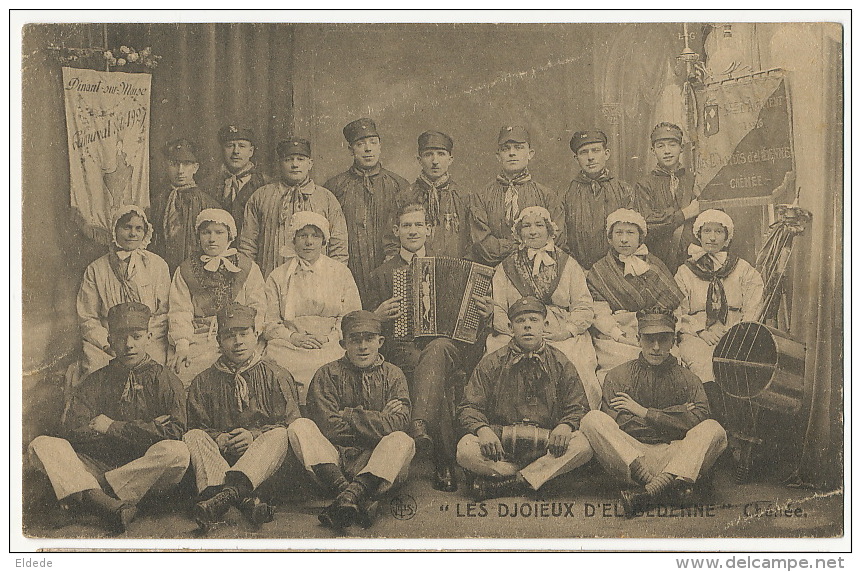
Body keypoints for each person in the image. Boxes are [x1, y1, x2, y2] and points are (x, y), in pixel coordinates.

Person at [29, 302, 188, 534]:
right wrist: (147, 429)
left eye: (136, 336)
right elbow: (72, 429)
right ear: (110, 340)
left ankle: (90, 497)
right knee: (42, 444)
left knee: (177, 452)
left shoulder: (166, 380)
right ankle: (110, 506)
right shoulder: (96, 380)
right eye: (121, 337)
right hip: (96, 464)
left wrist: (111, 427)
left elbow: (175, 431)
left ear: (149, 337)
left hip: (142, 470)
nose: (129, 345)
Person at [579, 307, 727, 517]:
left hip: (677, 456)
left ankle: (647, 494)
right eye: (649, 339)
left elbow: (700, 418)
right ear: (639, 339)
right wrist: (678, 414)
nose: (656, 347)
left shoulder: (689, 378)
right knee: (592, 419)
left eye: (663, 339)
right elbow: (619, 422)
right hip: (634, 457)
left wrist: (644, 412)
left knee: (714, 429)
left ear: (674, 341)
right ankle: (662, 488)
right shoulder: (617, 376)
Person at [184, 303, 318, 531]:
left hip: (263, 466)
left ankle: (224, 498)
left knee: (279, 434)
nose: (238, 342)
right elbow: (197, 424)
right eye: (229, 336)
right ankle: (235, 500)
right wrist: (219, 438)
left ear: (256, 335)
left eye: (244, 333)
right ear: (218, 341)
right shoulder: (203, 381)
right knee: (193, 435)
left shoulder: (276, 374)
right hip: (221, 460)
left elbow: (291, 424)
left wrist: (254, 436)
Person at [456, 296, 593, 500]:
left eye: (533, 320)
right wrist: (482, 430)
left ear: (545, 325)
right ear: (511, 328)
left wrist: (565, 426)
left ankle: (509, 484)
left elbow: (578, 406)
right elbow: (469, 407)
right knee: (465, 449)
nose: (527, 326)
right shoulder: (492, 363)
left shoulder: (561, 362)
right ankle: (541, 476)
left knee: (584, 445)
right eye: (520, 321)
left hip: (547, 447)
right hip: (503, 449)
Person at [304, 310, 415, 530]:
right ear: (343, 343)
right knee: (301, 426)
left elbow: (400, 422)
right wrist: (380, 418)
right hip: (333, 463)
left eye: (369, 338)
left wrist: (347, 414)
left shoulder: (393, 375)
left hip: (378, 464)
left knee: (401, 439)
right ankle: (355, 496)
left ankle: (345, 497)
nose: (362, 346)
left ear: (380, 341)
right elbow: (328, 427)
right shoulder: (326, 374)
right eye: (355, 339)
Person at [487, 206, 600, 410]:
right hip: (518, 330)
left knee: (577, 363)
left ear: (549, 230)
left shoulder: (568, 264)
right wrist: (514, 331)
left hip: (560, 331)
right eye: (526, 226)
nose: (533, 231)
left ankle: (578, 418)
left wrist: (567, 331)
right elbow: (498, 309)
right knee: (497, 360)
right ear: (519, 232)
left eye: (539, 225)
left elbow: (583, 306)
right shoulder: (506, 267)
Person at [263, 211, 362, 405]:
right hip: (290, 344)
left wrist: (329, 337)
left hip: (330, 342)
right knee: (275, 364)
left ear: (324, 241)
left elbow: (351, 317)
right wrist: (294, 338)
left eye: (315, 236)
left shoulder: (340, 272)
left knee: (331, 365)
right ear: (293, 239)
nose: (309, 242)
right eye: (303, 236)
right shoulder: (279, 275)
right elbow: (269, 323)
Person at [674, 210, 764, 413]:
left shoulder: (742, 269)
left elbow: (754, 303)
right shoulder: (685, 272)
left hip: (734, 331)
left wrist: (736, 331)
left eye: (718, 232)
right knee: (704, 363)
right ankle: (712, 417)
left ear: (727, 237)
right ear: (699, 234)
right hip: (697, 335)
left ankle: (738, 421)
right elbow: (678, 310)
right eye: (707, 231)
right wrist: (701, 331)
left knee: (739, 364)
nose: (712, 237)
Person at [169, 208, 266, 386]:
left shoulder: (247, 267)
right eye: (206, 232)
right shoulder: (186, 269)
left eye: (219, 232)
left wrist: (250, 338)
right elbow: (180, 311)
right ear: (198, 236)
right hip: (201, 337)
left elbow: (257, 307)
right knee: (187, 373)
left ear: (230, 236)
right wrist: (182, 345)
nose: (212, 239)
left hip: (240, 336)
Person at [75, 205, 171, 381]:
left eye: (138, 228)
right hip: (109, 342)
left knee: (154, 375)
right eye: (127, 227)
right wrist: (107, 344)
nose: (132, 234)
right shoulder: (96, 269)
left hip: (148, 340)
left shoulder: (158, 265)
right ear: (115, 230)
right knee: (99, 374)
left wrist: (142, 341)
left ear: (145, 232)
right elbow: (88, 317)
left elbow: (163, 312)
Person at [587, 208, 684, 380]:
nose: (624, 239)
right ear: (610, 238)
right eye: (618, 233)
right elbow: (599, 311)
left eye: (630, 233)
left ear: (640, 237)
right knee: (621, 365)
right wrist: (617, 333)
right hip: (616, 333)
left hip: (655, 330)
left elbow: (672, 304)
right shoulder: (600, 270)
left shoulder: (654, 265)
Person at [324, 118, 410, 301]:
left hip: (391, 275)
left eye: (373, 142)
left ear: (380, 146)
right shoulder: (335, 187)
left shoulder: (399, 185)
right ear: (351, 150)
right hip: (349, 274)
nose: (368, 149)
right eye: (360, 144)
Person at [238, 137, 348, 278]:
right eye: (288, 159)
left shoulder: (326, 199)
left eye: (300, 159)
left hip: (317, 283)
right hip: (270, 280)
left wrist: (332, 281)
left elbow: (339, 247)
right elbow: (247, 246)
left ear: (310, 164)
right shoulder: (261, 196)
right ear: (279, 164)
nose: (295, 164)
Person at [468, 126, 566, 267]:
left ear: (530, 153)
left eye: (518, 148)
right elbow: (482, 243)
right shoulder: (482, 197)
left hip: (536, 269)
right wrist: (520, 247)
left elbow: (557, 237)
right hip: (494, 272)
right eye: (505, 149)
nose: (512, 153)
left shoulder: (547, 195)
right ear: (498, 156)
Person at [366, 202, 432, 380]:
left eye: (418, 225)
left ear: (428, 229)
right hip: (401, 347)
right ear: (396, 231)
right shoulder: (381, 274)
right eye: (406, 225)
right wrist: (376, 316)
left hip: (438, 344)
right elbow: (368, 324)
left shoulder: (444, 265)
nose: (413, 231)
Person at [563, 130, 637, 270]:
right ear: (576, 158)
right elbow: (561, 239)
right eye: (584, 152)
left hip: (617, 269)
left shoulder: (624, 190)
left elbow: (631, 235)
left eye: (596, 150)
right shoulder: (566, 194)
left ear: (606, 153)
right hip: (578, 271)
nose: (590, 157)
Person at [635, 122, 701, 273]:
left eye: (672, 145)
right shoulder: (645, 185)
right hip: (659, 262)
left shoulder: (695, 180)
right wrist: (684, 214)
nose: (667, 151)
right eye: (660, 146)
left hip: (694, 259)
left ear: (681, 148)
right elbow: (647, 224)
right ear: (653, 151)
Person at [150, 138, 221, 273]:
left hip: (195, 272)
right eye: (174, 164)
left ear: (195, 168)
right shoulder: (158, 202)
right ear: (166, 166)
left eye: (186, 164)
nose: (180, 170)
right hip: (160, 271)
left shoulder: (208, 204)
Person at [396, 131, 470, 259]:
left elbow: (472, 242)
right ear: (419, 160)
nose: (435, 161)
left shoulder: (464, 197)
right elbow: (392, 242)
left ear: (450, 159)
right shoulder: (405, 196)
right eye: (428, 155)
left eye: (441, 154)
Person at [206, 124, 271, 234]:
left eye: (241, 146)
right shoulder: (208, 184)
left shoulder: (265, 184)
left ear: (251, 151)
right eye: (230, 146)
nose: (236, 151)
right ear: (222, 150)